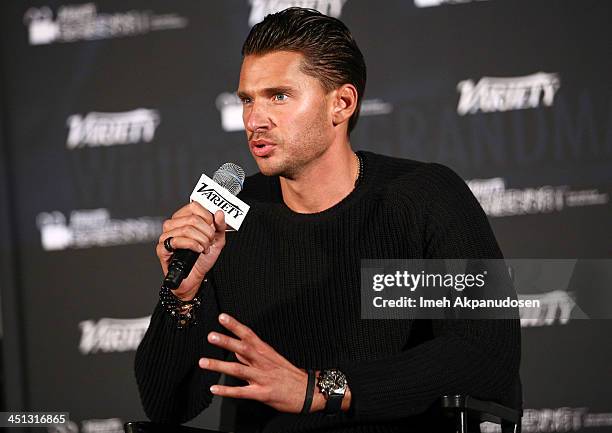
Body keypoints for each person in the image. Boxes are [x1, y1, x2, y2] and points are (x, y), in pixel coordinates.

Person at [135, 7, 521, 432]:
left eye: (278, 96)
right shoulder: (230, 217)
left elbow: (487, 351)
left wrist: (320, 389)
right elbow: (165, 405)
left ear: (341, 103)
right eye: (248, 99)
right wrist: (184, 298)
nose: (254, 120)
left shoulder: (421, 195)